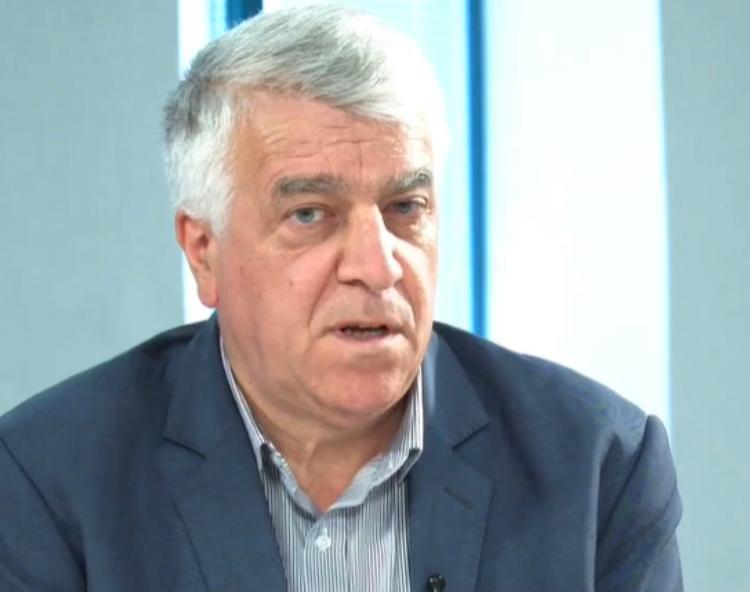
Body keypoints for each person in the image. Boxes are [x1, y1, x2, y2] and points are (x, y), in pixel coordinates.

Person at [0, 6, 682, 591]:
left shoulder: (599, 467)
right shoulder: (47, 482)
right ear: (203, 250)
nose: (377, 266)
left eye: (405, 207)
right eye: (310, 215)